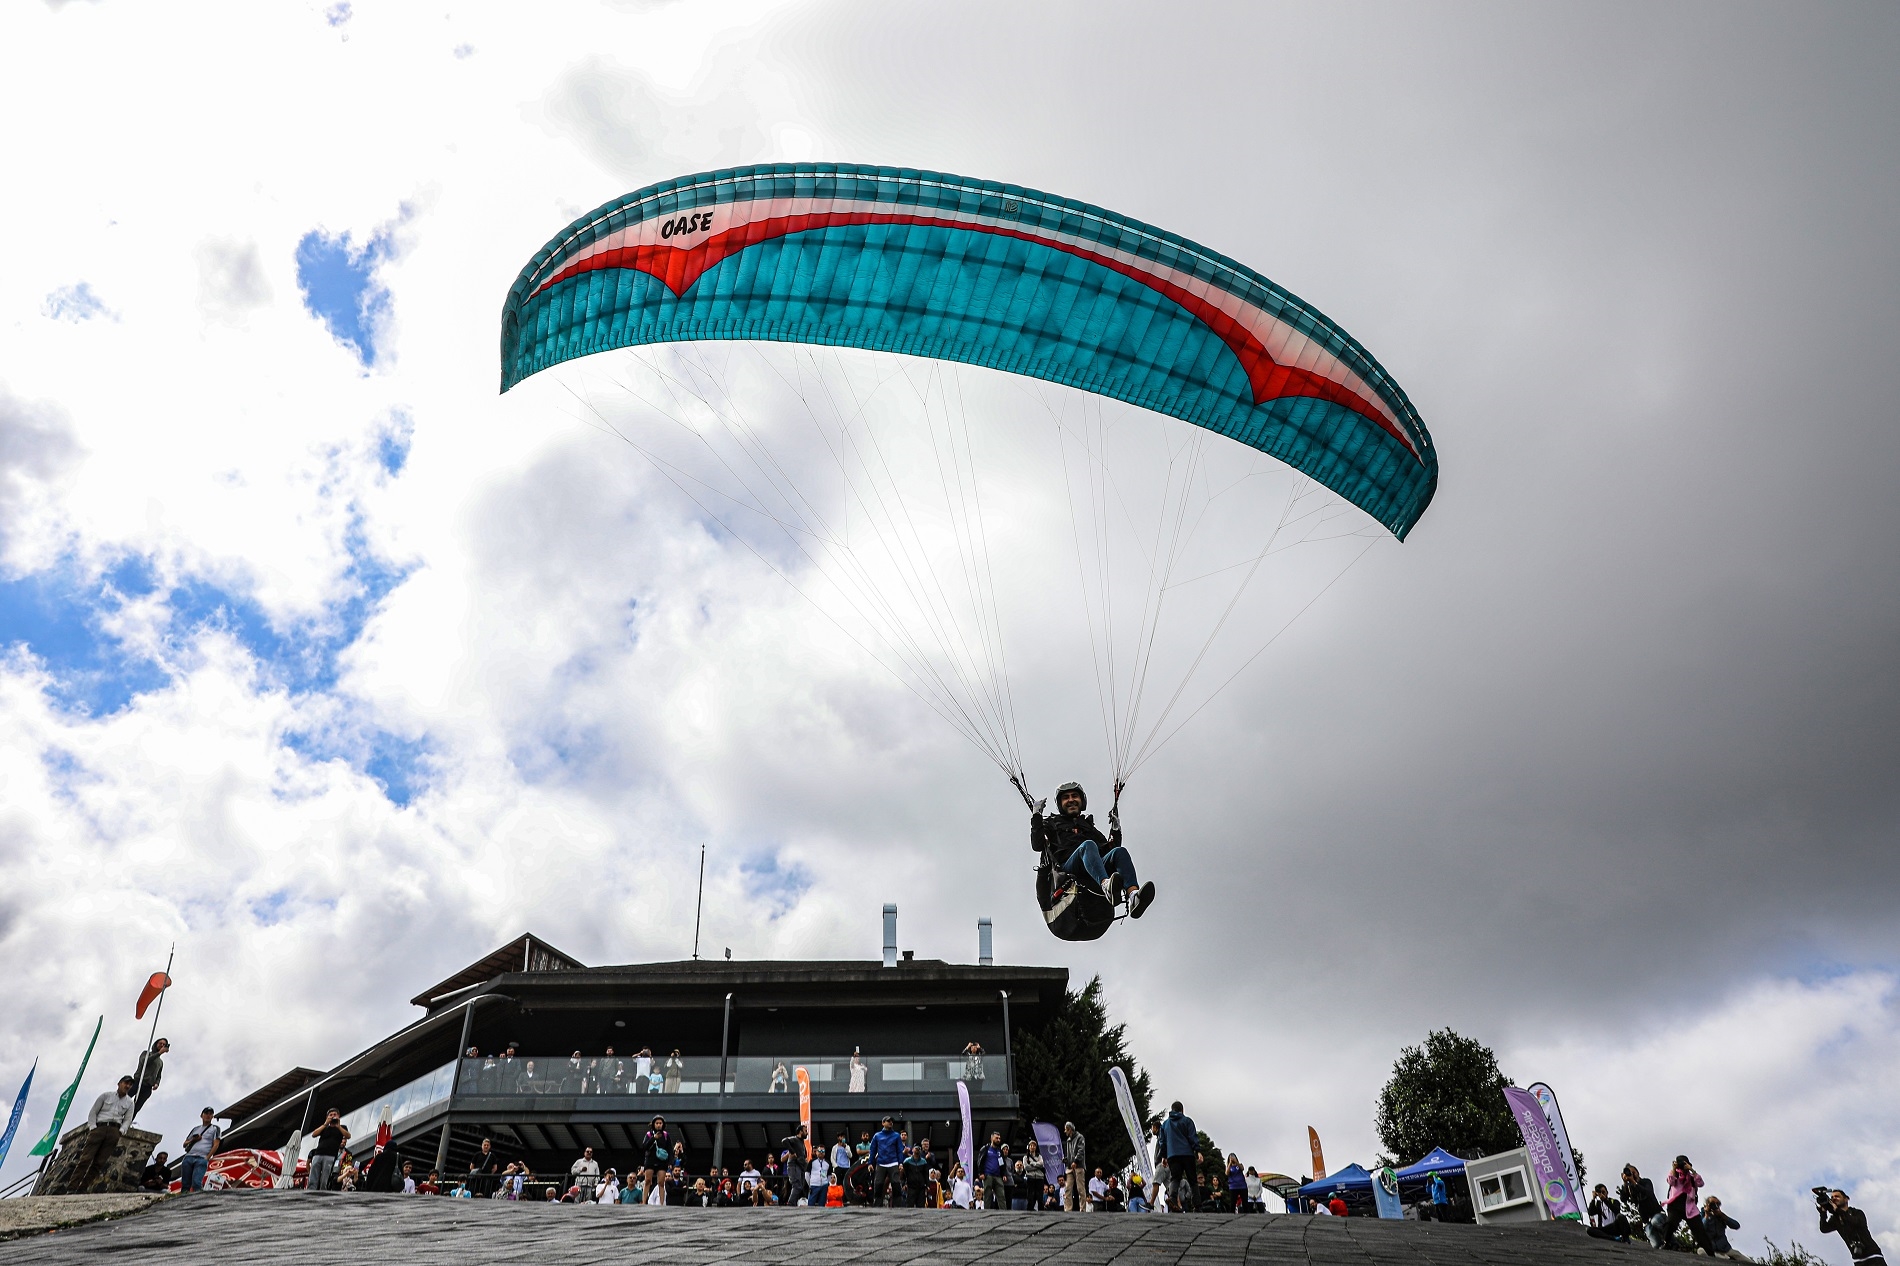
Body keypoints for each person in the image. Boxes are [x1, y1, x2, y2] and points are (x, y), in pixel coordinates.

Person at [1030, 782, 1156, 918]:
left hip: (1091, 867)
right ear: (1060, 804)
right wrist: (1036, 816)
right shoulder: (1051, 823)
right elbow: (1037, 845)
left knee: (1120, 852)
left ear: (1082, 801)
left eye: (1075, 796)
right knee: (1088, 845)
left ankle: (1133, 896)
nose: (1071, 800)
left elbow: (1109, 851)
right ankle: (1106, 885)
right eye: (1066, 797)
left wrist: (1116, 830)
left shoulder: (1088, 826)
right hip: (1067, 869)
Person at [68, 1075, 138, 1192]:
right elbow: (93, 1112)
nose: (128, 1086)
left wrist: (121, 1131)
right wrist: (93, 1128)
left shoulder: (130, 1102)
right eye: (126, 1083)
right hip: (99, 1128)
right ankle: (72, 1187)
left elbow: (127, 1120)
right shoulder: (106, 1096)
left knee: (99, 1163)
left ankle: (82, 1188)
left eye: (130, 1084)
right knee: (85, 1159)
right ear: (119, 1083)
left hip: (114, 1131)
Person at [1819, 1188, 1886, 1266]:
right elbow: (1824, 1229)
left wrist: (1838, 1211)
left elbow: (1856, 1222)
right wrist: (1823, 1213)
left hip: (1873, 1255)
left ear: (1846, 1199)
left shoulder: (1857, 1213)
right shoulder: (1836, 1219)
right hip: (1858, 1259)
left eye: (1837, 1197)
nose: (1834, 1199)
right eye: (1832, 1198)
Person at [1158, 1101, 1200, 1213]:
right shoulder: (1187, 1121)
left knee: (1175, 1178)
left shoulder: (1165, 1124)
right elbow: (1192, 1137)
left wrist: (1164, 1156)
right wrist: (1198, 1151)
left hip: (1172, 1155)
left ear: (1172, 1110)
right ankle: (1197, 1205)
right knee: (1192, 1180)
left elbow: (1162, 1142)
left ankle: (1172, 1198)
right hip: (1187, 1154)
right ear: (1182, 1110)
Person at [1663, 1155, 1710, 1253]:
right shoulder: (1675, 1175)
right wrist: (1674, 1168)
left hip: (1690, 1207)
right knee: (1670, 1223)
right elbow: (1670, 1181)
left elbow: (1701, 1183)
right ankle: (1667, 1242)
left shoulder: (1692, 1177)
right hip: (1675, 1206)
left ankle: (1710, 1252)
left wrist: (1692, 1170)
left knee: (1700, 1231)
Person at [1620, 1163, 1665, 1247]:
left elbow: (1648, 1192)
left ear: (1638, 1172)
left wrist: (1634, 1182)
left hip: (1657, 1213)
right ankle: (1661, 1246)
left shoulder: (1646, 1181)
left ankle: (1671, 1240)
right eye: (1630, 1173)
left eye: (1634, 1172)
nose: (1632, 1175)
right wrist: (1625, 1184)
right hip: (1646, 1220)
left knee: (1655, 1221)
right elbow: (1623, 1199)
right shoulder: (1630, 1188)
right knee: (1655, 1244)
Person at [179, 1107, 222, 1193]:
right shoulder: (196, 1129)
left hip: (202, 1157)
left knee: (196, 1183)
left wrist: (207, 1157)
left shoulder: (215, 1128)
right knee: (185, 1184)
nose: (208, 1116)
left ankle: (197, 1202)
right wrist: (193, 1140)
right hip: (189, 1156)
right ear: (201, 1115)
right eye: (206, 1113)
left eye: (210, 1114)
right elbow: (184, 1144)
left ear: (212, 1116)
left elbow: (216, 1144)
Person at [870, 1116, 906, 1206]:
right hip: (881, 1163)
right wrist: (870, 1163)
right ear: (883, 1123)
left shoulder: (896, 1135)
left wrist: (900, 1163)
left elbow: (899, 1150)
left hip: (893, 1162)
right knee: (878, 1184)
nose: (890, 1122)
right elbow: (873, 1150)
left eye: (892, 1121)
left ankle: (897, 1205)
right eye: (888, 1121)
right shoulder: (877, 1136)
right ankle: (877, 1205)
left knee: (896, 1184)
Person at [1700, 1196, 1745, 1260]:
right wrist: (1707, 1215)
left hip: (1725, 1249)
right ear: (1707, 1205)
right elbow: (1701, 1229)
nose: (1715, 1206)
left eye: (1717, 1204)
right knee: (1701, 1251)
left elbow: (1736, 1226)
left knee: (1742, 1258)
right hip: (1709, 1248)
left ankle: (1724, 1257)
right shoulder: (1702, 1215)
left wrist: (1722, 1215)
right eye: (1712, 1204)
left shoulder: (1721, 1216)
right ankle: (1725, 1259)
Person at [642, 1115, 677, 1195]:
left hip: (662, 1161)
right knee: (647, 1181)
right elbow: (644, 1146)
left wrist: (671, 1162)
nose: (658, 1125)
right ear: (654, 1124)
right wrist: (654, 1138)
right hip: (650, 1159)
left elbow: (670, 1149)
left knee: (661, 1182)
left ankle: (661, 1202)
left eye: (660, 1123)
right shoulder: (649, 1134)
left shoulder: (665, 1135)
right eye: (657, 1123)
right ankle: (644, 1201)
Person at [132, 1038, 169, 1114]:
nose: (162, 1045)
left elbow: (158, 1076)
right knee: (125, 1099)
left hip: (147, 1087)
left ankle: (127, 1122)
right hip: (138, 1081)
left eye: (164, 1044)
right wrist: (159, 1053)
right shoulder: (146, 1053)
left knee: (136, 1107)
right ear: (156, 1044)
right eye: (160, 1043)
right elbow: (145, 1062)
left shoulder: (160, 1062)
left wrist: (157, 1083)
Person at [1060, 1121, 1087, 1210]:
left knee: (1080, 1189)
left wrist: (1076, 1161)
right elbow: (1069, 1154)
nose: (1065, 1132)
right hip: (1070, 1167)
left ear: (1069, 1129)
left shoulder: (1080, 1137)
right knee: (1068, 1188)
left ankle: (1082, 1209)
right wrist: (1066, 1159)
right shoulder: (1068, 1140)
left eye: (1066, 1130)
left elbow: (1081, 1151)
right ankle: (1068, 1209)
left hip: (1078, 1166)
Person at [980, 1132, 1007, 1210]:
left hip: (998, 1176)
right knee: (987, 1195)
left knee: (1001, 1195)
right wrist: (981, 1173)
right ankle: (986, 1211)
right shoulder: (985, 1148)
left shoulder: (999, 1151)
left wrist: (1004, 1174)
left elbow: (1002, 1163)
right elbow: (980, 1161)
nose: (998, 1140)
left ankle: (1004, 1211)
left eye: (999, 1138)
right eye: (996, 1138)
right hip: (988, 1175)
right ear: (992, 1138)